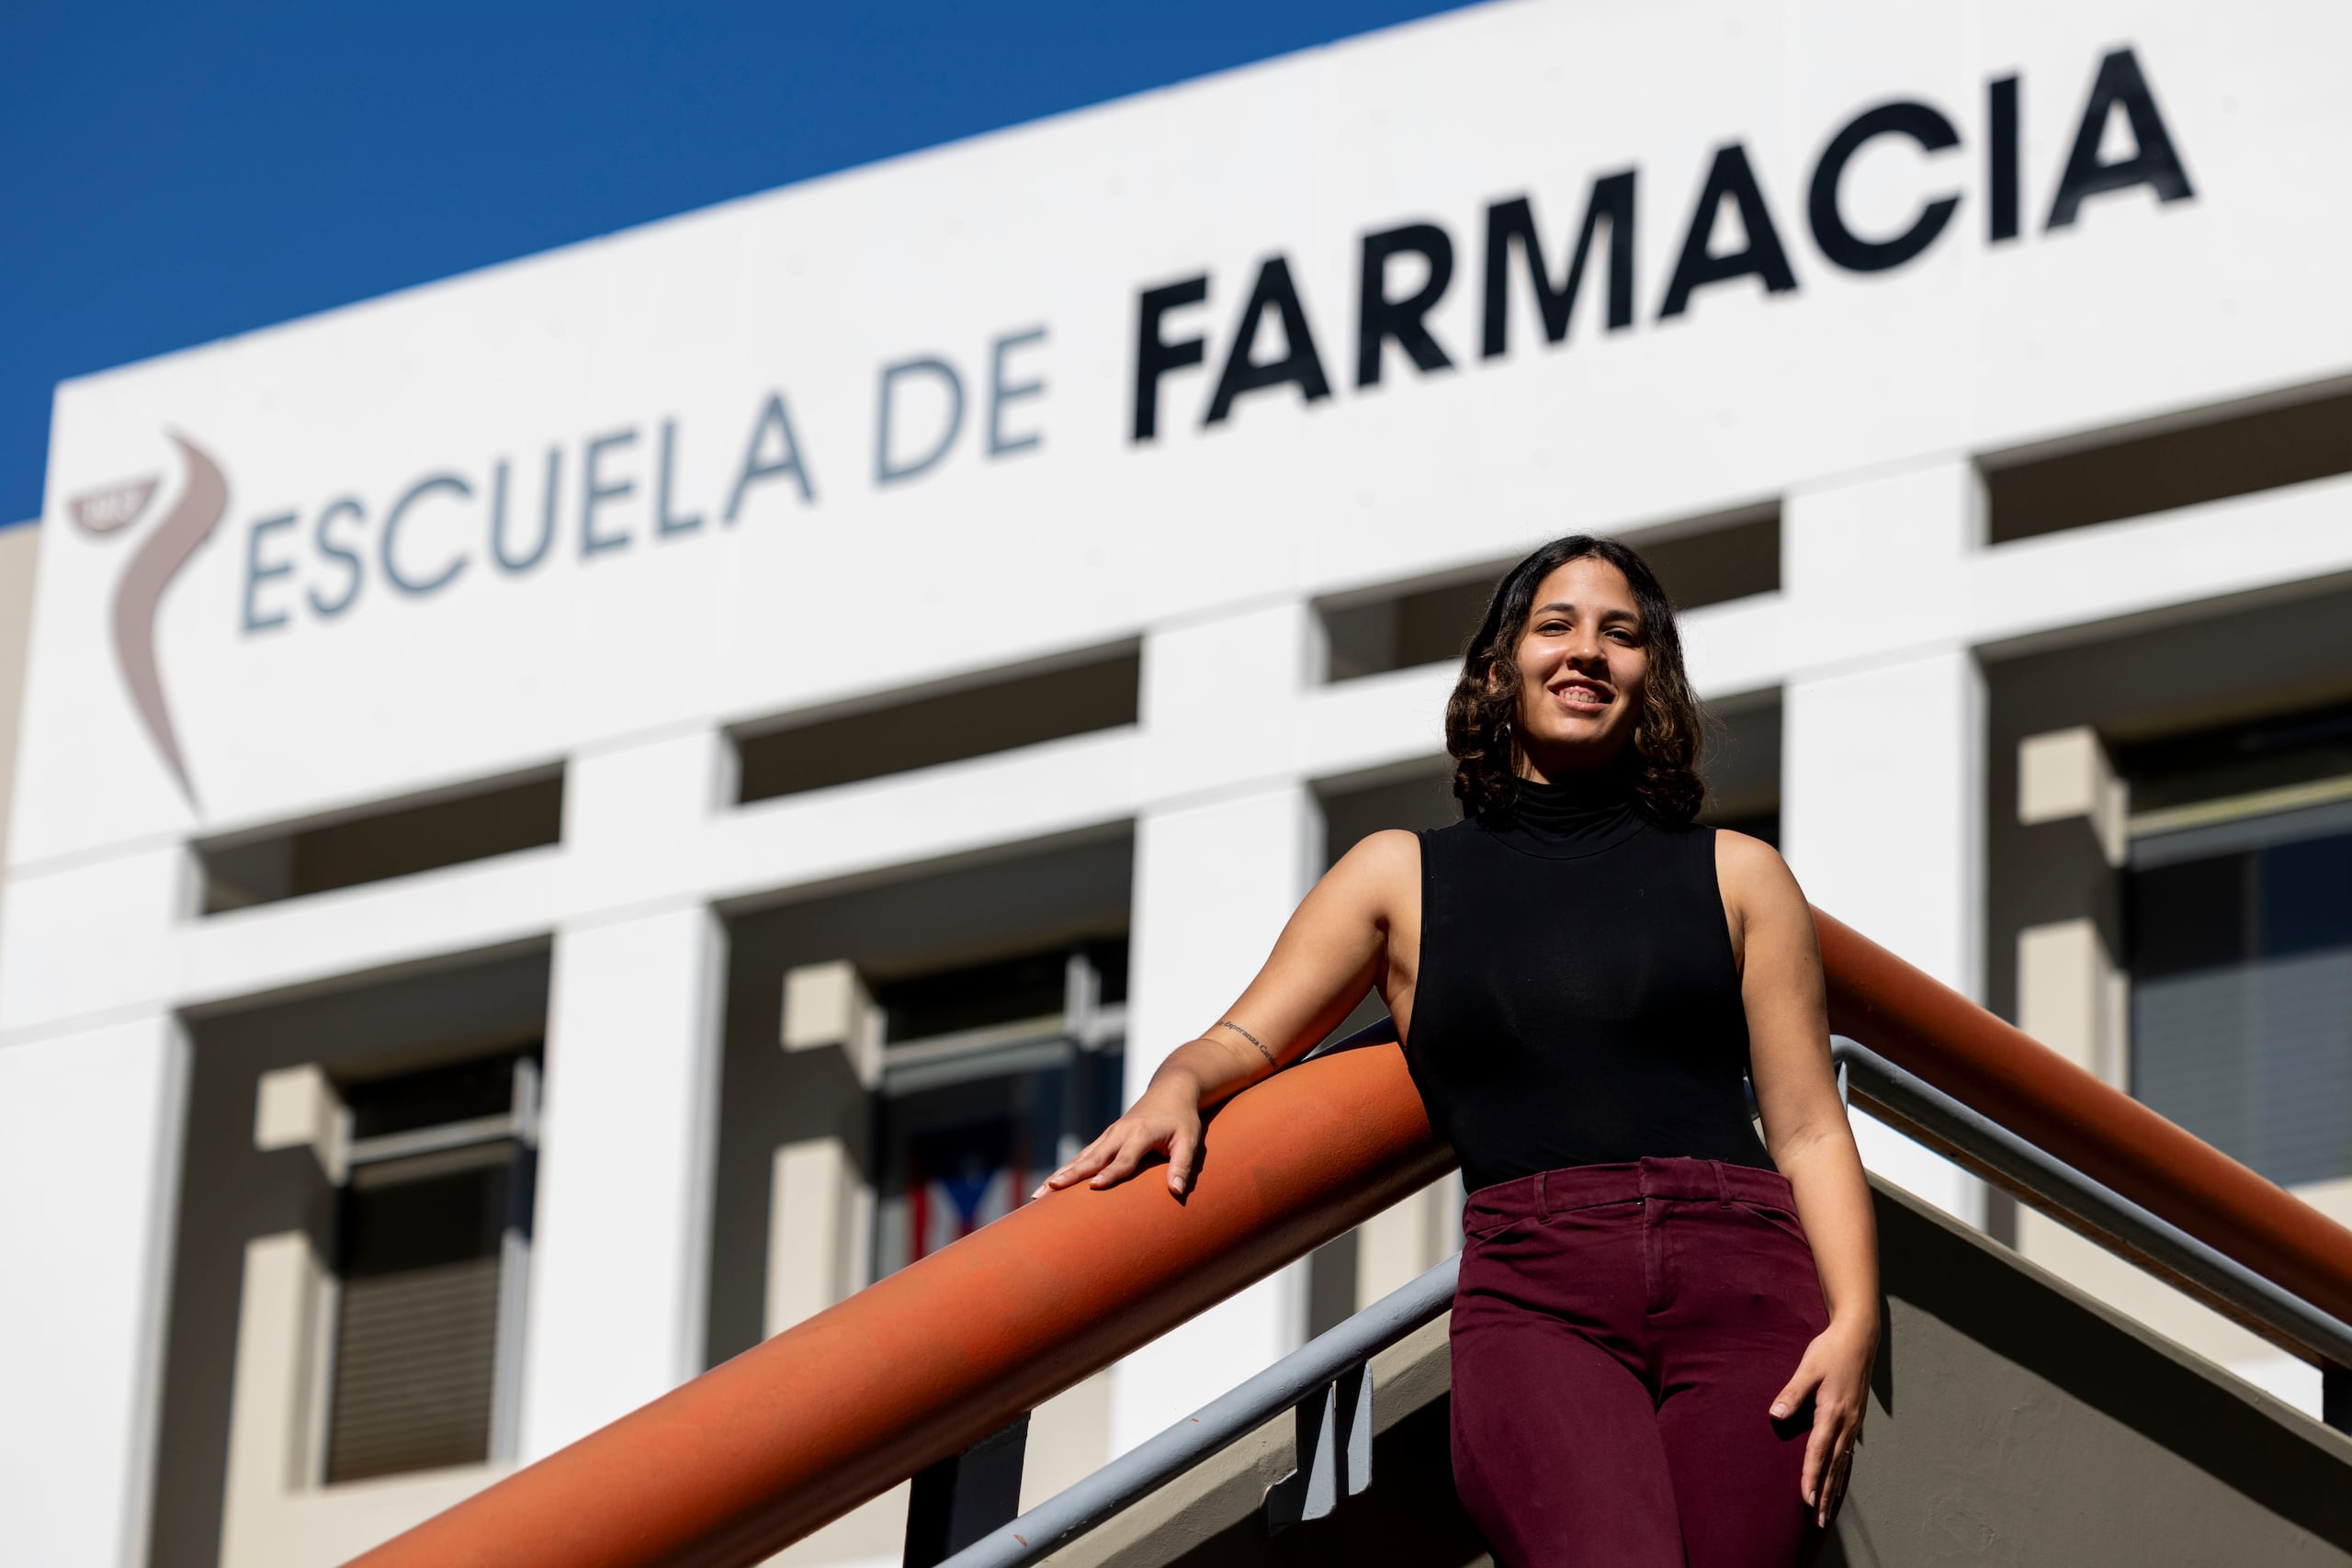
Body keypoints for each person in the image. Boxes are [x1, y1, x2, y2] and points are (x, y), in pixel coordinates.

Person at [1038, 534, 1879, 1568]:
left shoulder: (1742, 874)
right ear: (1497, 669)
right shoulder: (1398, 878)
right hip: (1541, 1291)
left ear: (1649, 678)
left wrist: (1854, 1322)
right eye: (1554, 626)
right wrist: (1177, 1083)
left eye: (1620, 635)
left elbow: (1805, 1128)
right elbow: (1245, 1036)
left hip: (1747, 1280)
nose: (1586, 654)